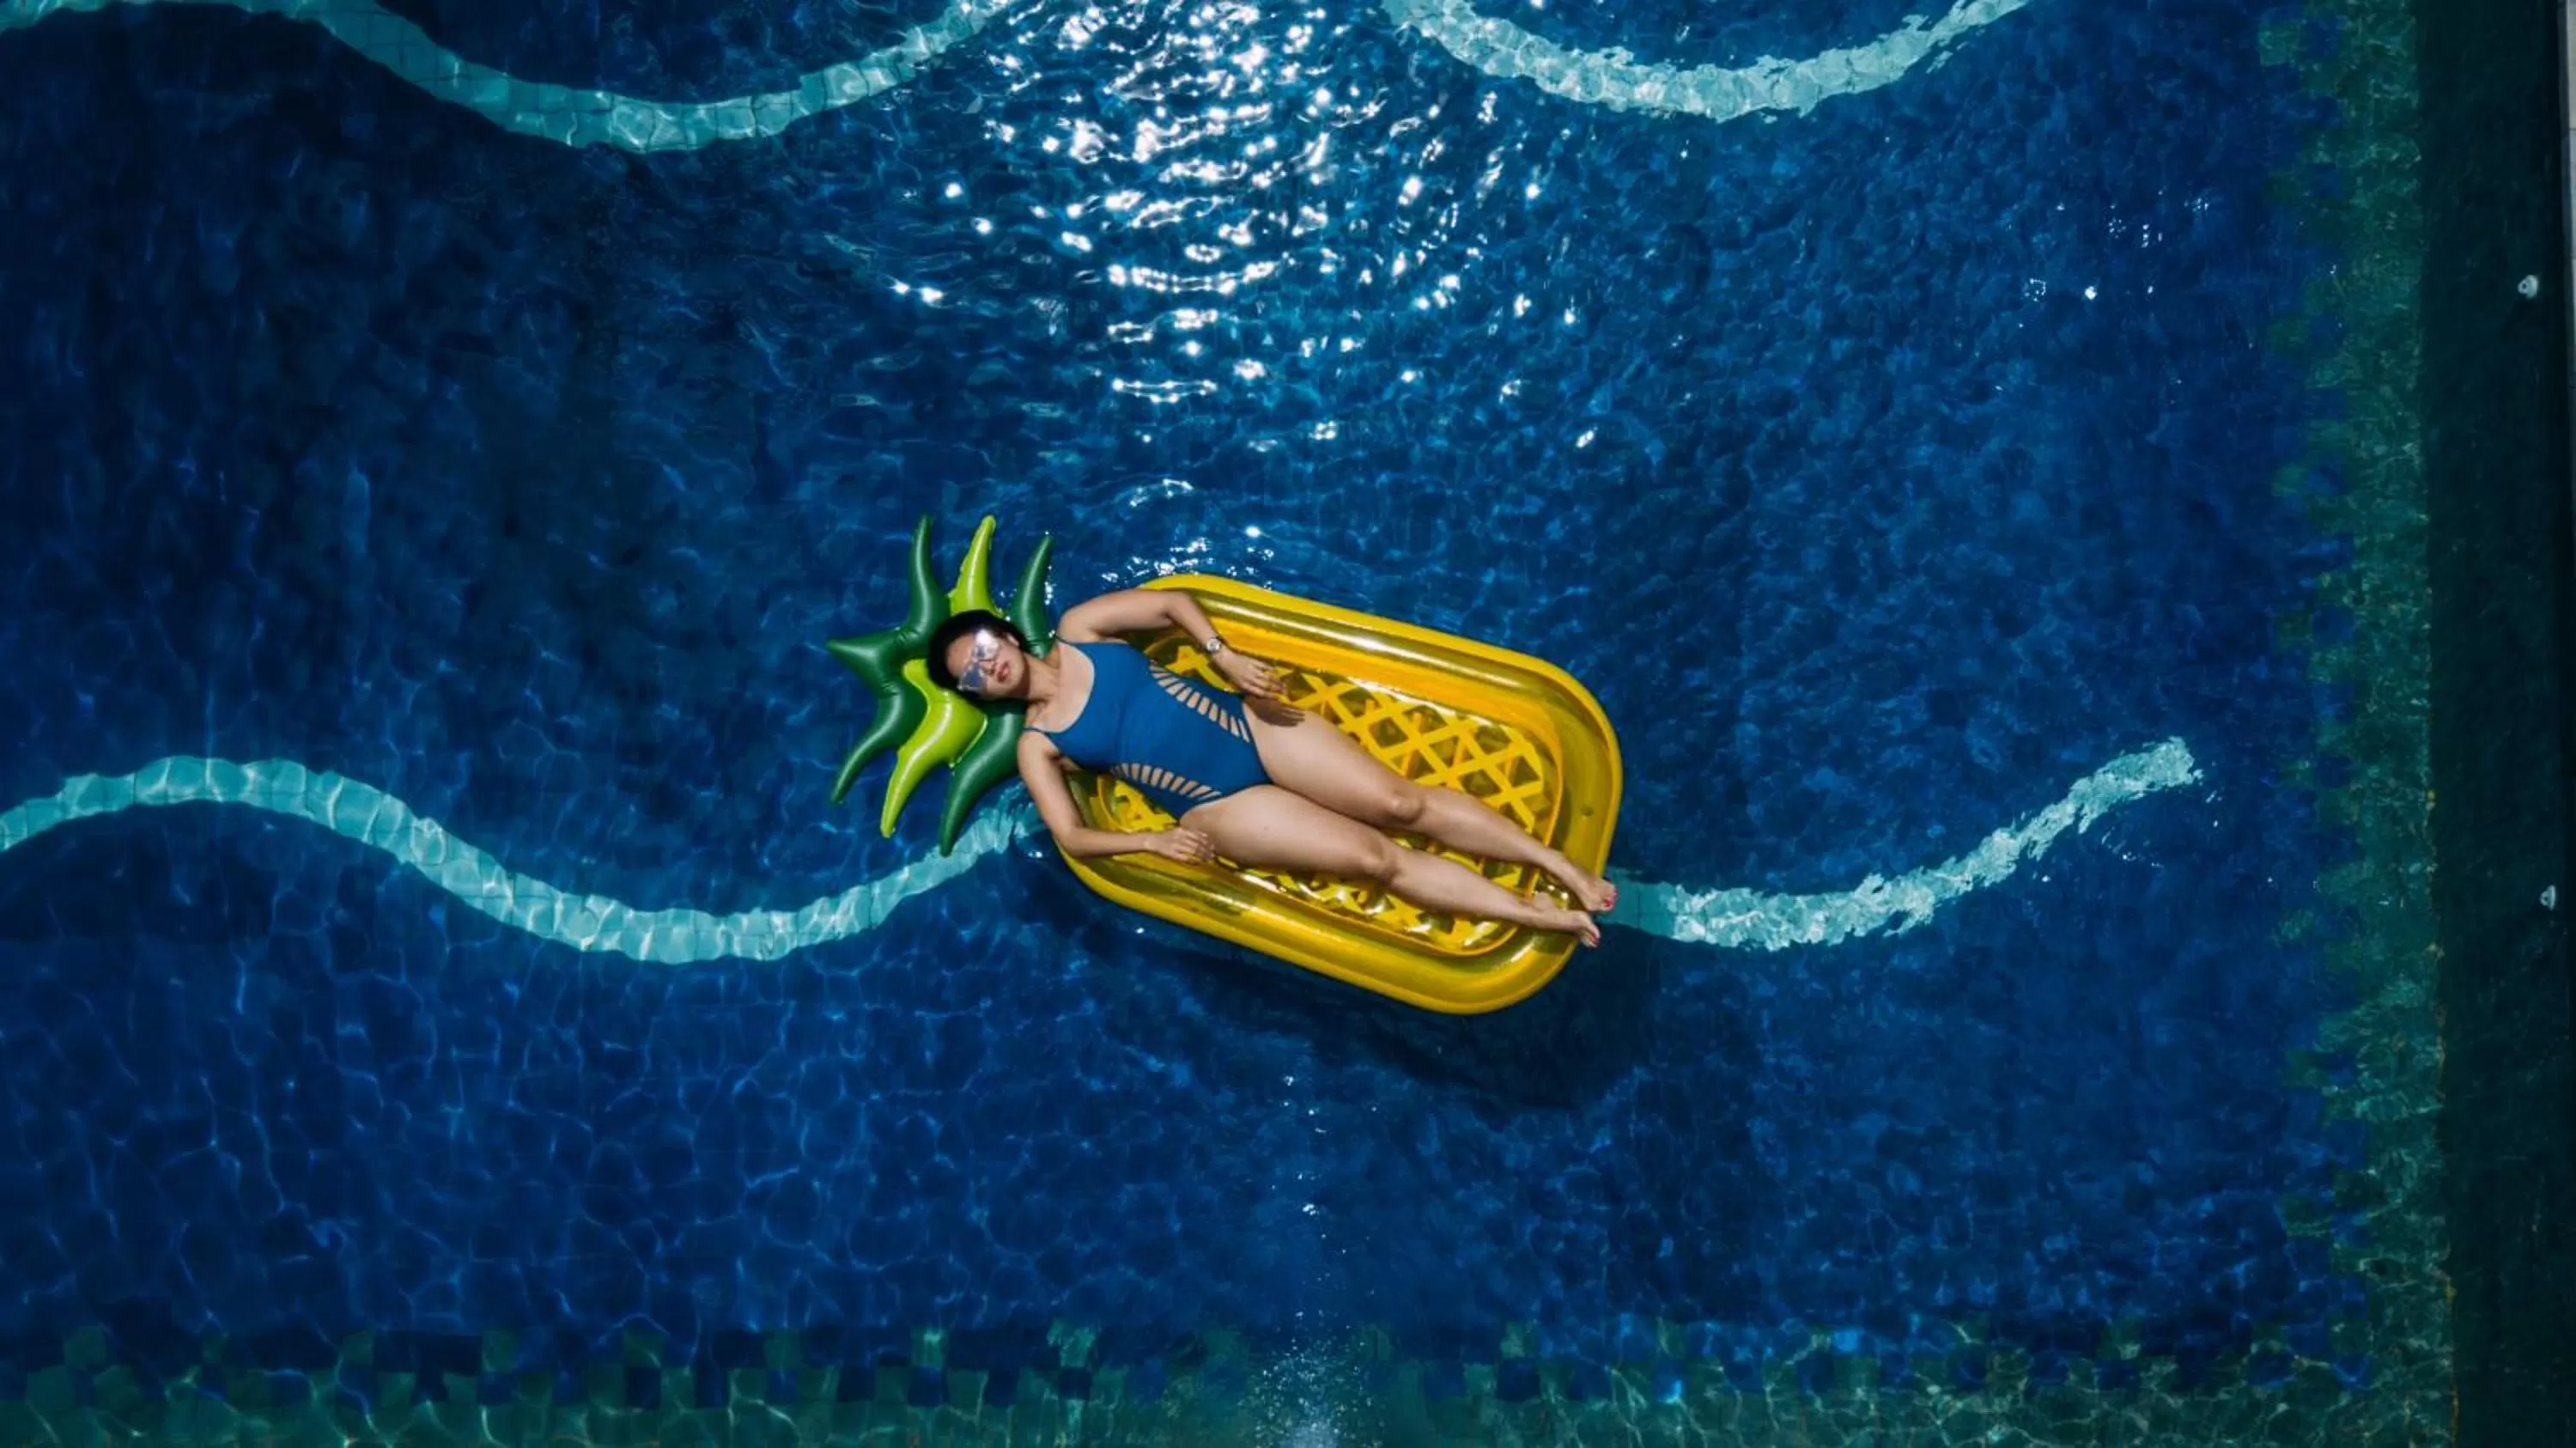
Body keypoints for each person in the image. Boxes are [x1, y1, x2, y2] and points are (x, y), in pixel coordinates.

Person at [923, 587, 1615, 946]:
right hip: (1221, 806)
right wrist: (1152, 840)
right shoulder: (1036, 744)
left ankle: (1558, 867)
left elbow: (1169, 605)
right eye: (973, 676)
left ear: (1005, 632)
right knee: (1376, 859)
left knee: (1403, 806)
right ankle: (1534, 915)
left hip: (1250, 722)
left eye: (983, 647)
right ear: (978, 695)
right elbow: (1072, 836)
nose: (989, 665)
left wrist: (1219, 651)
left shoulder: (1081, 629)